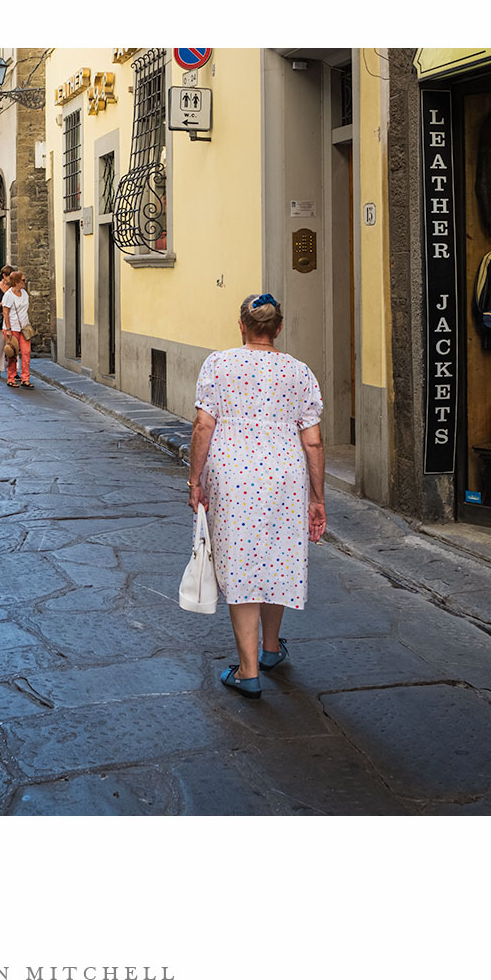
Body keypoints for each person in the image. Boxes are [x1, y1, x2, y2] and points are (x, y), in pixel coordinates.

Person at [187, 293, 326, 700]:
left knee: (242, 561)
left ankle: (248, 671)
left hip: (232, 477)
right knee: (277, 556)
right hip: (285, 477)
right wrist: (318, 497)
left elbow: (202, 425)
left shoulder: (219, 364)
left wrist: (195, 480)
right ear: (278, 329)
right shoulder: (299, 372)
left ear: (242, 326)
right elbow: (313, 444)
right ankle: (269, 649)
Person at [2, 270, 33, 388]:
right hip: (12, 328)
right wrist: (8, 329)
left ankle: (25, 378)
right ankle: (11, 377)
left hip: (24, 328)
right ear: (16, 281)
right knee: (12, 353)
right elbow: (5, 313)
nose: (25, 282)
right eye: (23, 280)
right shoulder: (8, 295)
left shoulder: (24, 293)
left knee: (26, 352)